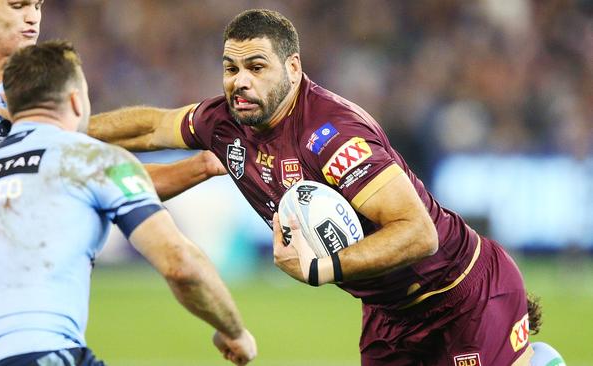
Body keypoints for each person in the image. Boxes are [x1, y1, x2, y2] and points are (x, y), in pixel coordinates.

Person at [88, 8, 563, 366]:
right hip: (389, 314)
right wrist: (60, 126)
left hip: (462, 295)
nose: (240, 82)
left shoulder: (333, 136)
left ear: (293, 69)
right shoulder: (225, 121)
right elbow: (150, 128)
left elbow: (419, 233)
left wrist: (321, 268)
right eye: (231, 69)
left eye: (257, 67)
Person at [0, 2, 226, 363]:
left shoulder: (35, 94)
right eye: (18, 5)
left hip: (20, 286)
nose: (33, 17)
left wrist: (202, 165)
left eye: (38, 5)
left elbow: (107, 179)